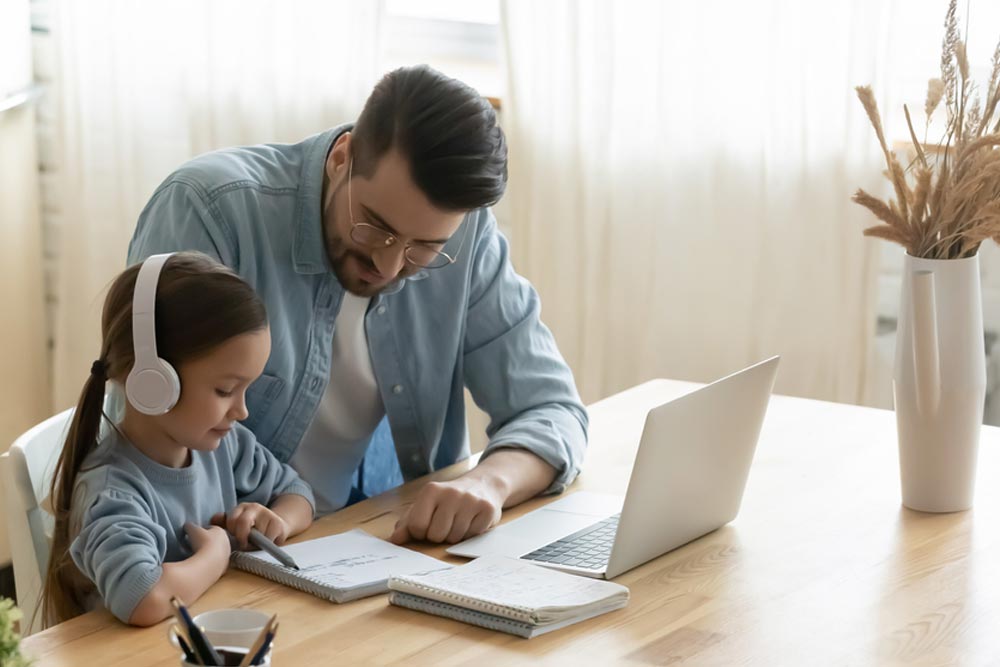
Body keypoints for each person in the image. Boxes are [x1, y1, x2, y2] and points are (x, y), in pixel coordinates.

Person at [127, 65, 587, 545]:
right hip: (224, 556)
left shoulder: (465, 234)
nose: (388, 265)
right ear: (341, 157)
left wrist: (487, 482)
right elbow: (150, 432)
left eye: (422, 247)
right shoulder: (210, 212)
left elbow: (552, 409)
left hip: (382, 544)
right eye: (375, 225)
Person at [42, 252, 315, 627]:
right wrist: (215, 557)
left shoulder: (225, 445)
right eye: (225, 390)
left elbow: (298, 492)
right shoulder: (112, 491)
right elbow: (143, 597)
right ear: (153, 382)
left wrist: (276, 521)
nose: (242, 411)